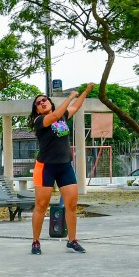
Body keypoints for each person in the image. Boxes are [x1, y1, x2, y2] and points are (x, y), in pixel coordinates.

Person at [29, 84, 94, 255]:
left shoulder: (63, 116)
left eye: (44, 100)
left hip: (65, 166)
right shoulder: (39, 121)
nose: (42, 103)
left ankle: (72, 240)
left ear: (50, 102)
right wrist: (70, 96)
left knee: (71, 205)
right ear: (37, 110)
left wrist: (85, 92)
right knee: (41, 205)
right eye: (38, 103)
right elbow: (56, 114)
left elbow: (75, 107)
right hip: (45, 167)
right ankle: (36, 242)